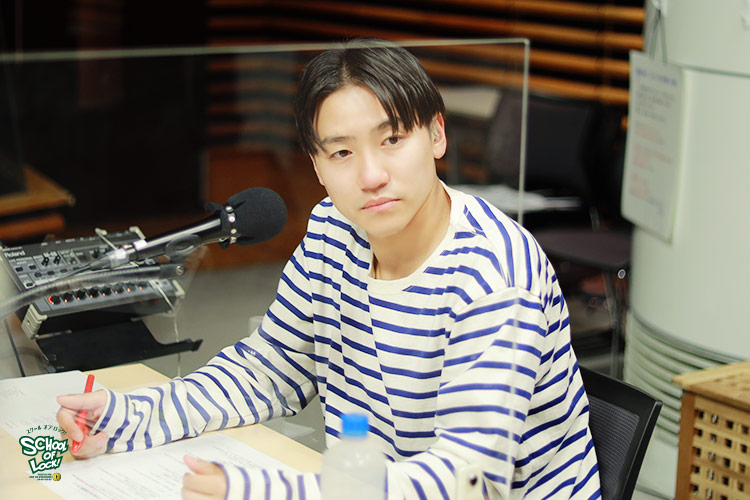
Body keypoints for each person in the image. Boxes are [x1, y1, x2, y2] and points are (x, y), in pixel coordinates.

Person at [57, 38, 601, 499]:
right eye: (341, 153)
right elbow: (267, 372)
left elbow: (466, 480)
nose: (371, 176)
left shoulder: (495, 273)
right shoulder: (334, 232)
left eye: (392, 140)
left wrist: (265, 490)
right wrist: (127, 418)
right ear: (317, 166)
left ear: (437, 134)